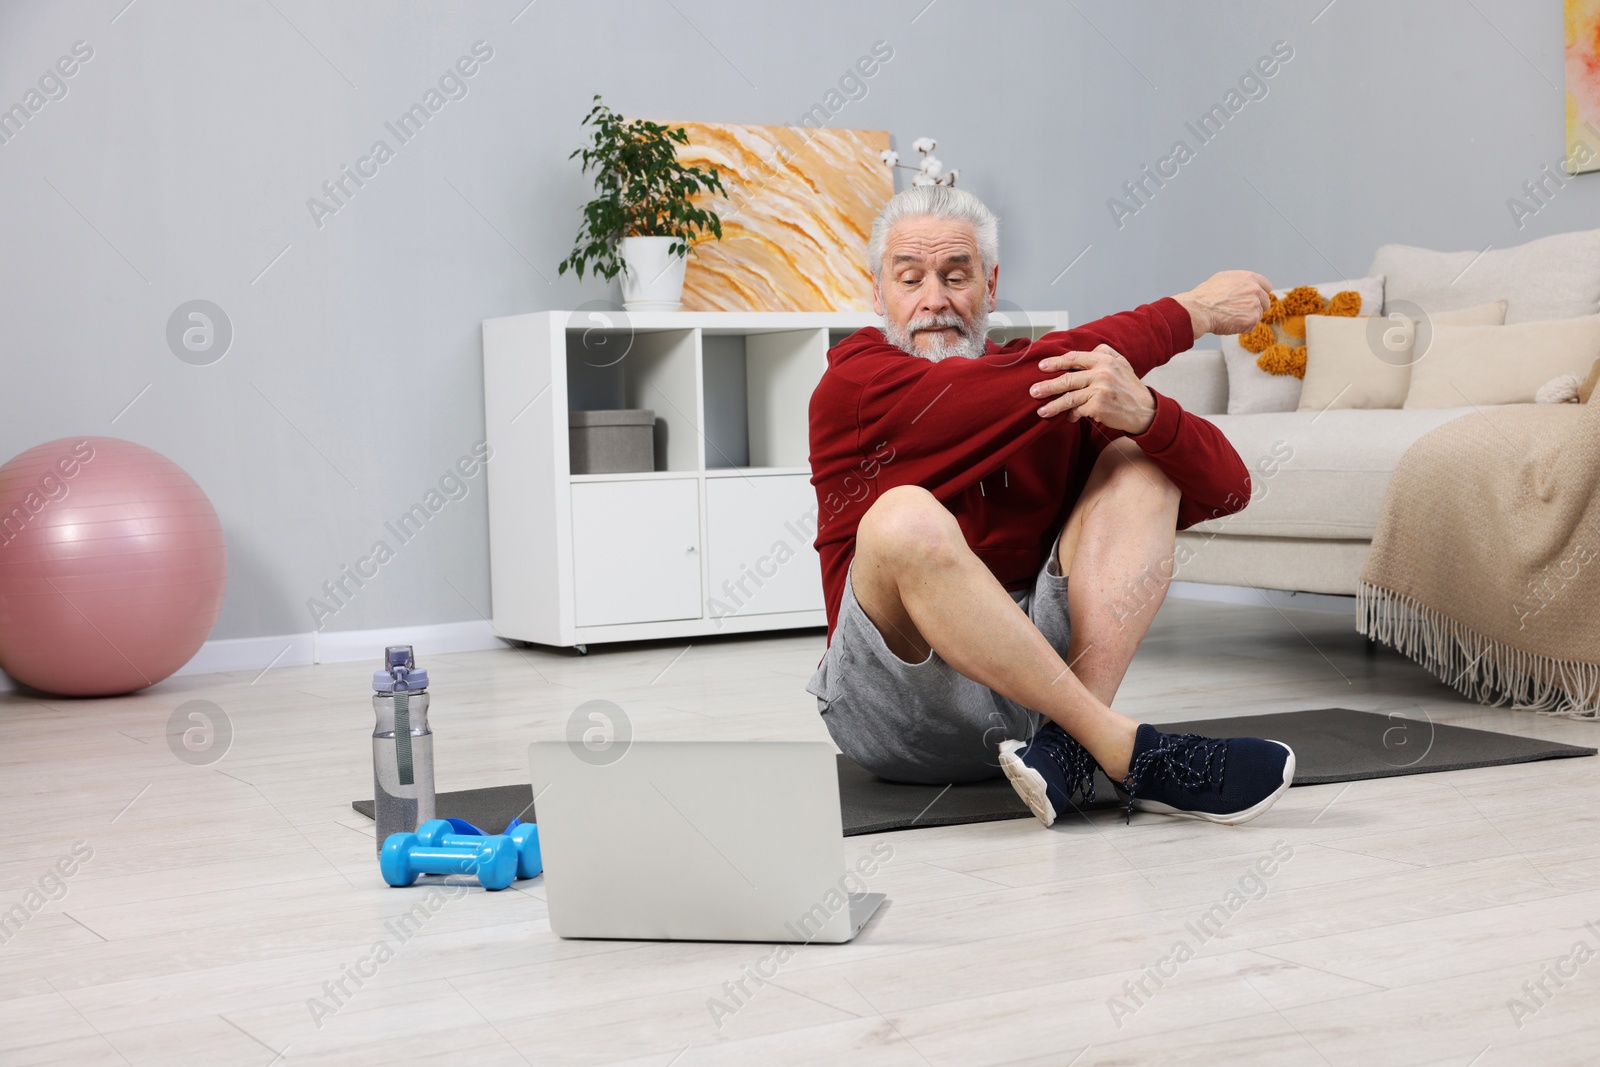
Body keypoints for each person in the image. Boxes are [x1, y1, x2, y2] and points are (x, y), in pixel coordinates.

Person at [805, 184, 1294, 828]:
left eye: (957, 276)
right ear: (878, 294)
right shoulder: (856, 381)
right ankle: (1116, 746)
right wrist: (1193, 311)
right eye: (910, 279)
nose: (935, 300)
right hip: (895, 716)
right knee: (903, 517)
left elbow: (1229, 489)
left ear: (990, 283)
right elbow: (993, 390)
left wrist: (1149, 415)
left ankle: (1067, 748)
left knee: (1138, 464)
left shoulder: (1046, 385)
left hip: (1034, 704)